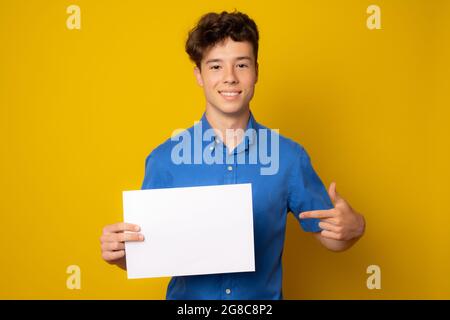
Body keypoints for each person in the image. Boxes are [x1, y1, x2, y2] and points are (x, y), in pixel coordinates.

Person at [100, 11, 365, 299]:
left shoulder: (289, 157)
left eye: (241, 64)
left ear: (256, 72)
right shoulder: (164, 161)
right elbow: (148, 253)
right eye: (215, 66)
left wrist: (355, 227)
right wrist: (121, 255)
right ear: (199, 75)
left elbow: (333, 239)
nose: (229, 78)